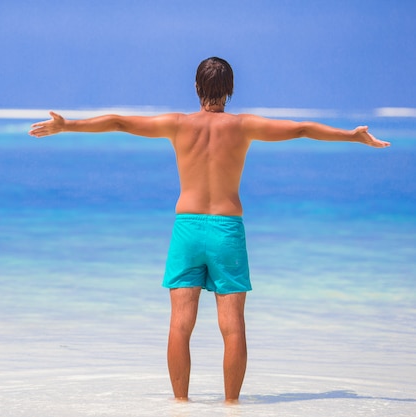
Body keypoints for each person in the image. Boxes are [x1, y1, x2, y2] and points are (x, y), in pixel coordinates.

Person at [28, 57, 390, 403]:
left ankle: (180, 404)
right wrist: (353, 136)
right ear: (230, 89)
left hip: (187, 229)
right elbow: (302, 129)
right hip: (227, 231)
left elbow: (119, 122)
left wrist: (68, 125)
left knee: (180, 325)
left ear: (196, 86)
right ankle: (232, 404)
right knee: (232, 325)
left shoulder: (177, 124)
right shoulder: (244, 126)